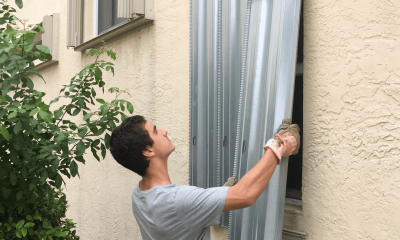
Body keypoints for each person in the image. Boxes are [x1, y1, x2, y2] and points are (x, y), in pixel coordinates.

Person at [109, 115, 300, 240]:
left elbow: (182, 223)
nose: (164, 131)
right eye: (156, 130)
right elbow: (245, 194)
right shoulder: (177, 201)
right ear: (148, 150)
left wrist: (216, 200)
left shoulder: (139, 195)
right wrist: (278, 146)